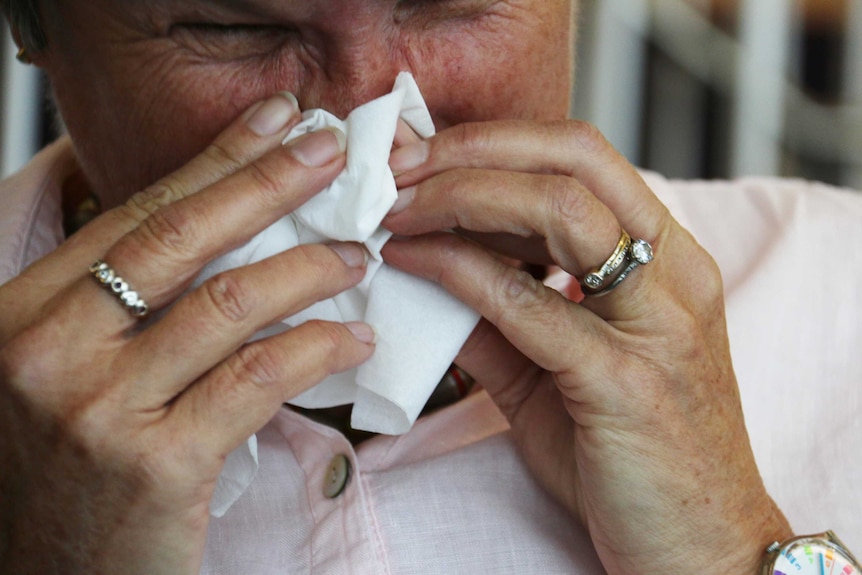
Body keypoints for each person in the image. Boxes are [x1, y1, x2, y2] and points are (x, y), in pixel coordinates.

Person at [1, 1, 860, 573]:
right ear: (39, 30)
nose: (374, 115)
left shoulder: (836, 285)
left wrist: (741, 547)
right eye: (235, 24)